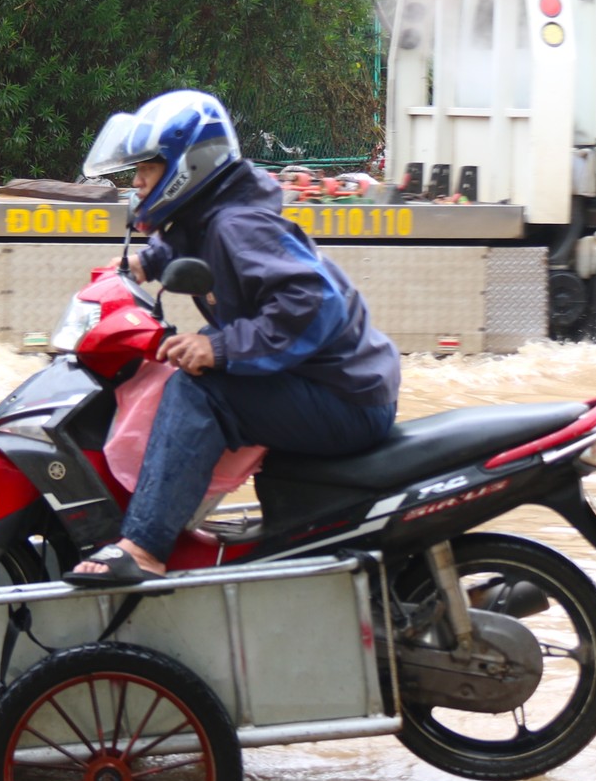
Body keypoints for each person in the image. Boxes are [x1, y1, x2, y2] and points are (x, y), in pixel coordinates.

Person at [66, 90, 401, 585]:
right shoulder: (212, 212)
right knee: (180, 357)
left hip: (345, 396)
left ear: (187, 167)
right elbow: (188, 241)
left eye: (149, 169)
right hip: (328, 380)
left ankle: (145, 546)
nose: (136, 182)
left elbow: (314, 305)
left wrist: (219, 348)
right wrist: (143, 264)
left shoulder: (238, 224)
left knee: (197, 386)